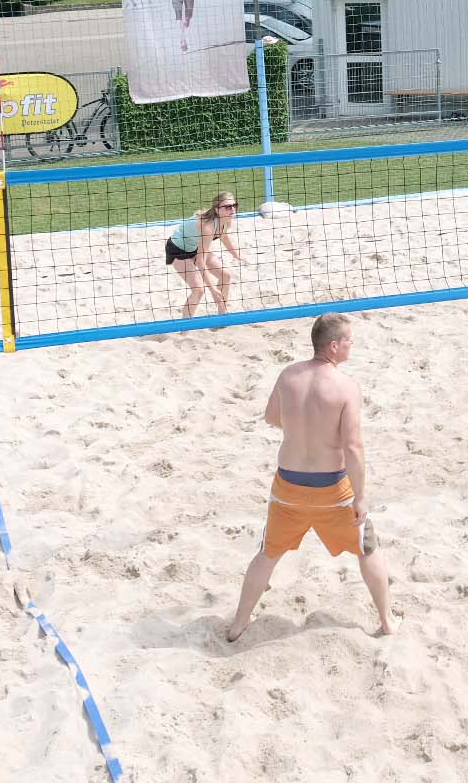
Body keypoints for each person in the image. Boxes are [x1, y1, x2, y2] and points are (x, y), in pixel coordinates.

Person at [228, 314, 394, 641]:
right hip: (332, 489)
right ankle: (387, 621)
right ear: (334, 346)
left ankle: (238, 624)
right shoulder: (346, 387)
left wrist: (304, 430)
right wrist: (360, 497)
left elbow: (271, 417)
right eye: (349, 340)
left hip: (288, 485)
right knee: (368, 549)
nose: (352, 345)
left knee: (268, 553)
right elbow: (353, 447)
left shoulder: (288, 375)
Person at [165, 192, 244, 316]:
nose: (233, 209)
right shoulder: (208, 227)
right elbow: (201, 262)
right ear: (217, 210)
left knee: (226, 275)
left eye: (235, 205)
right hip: (177, 250)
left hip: (194, 248)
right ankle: (185, 328)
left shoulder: (226, 220)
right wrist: (212, 289)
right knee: (199, 290)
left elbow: (223, 236)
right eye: (228, 207)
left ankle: (222, 316)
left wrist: (237, 255)